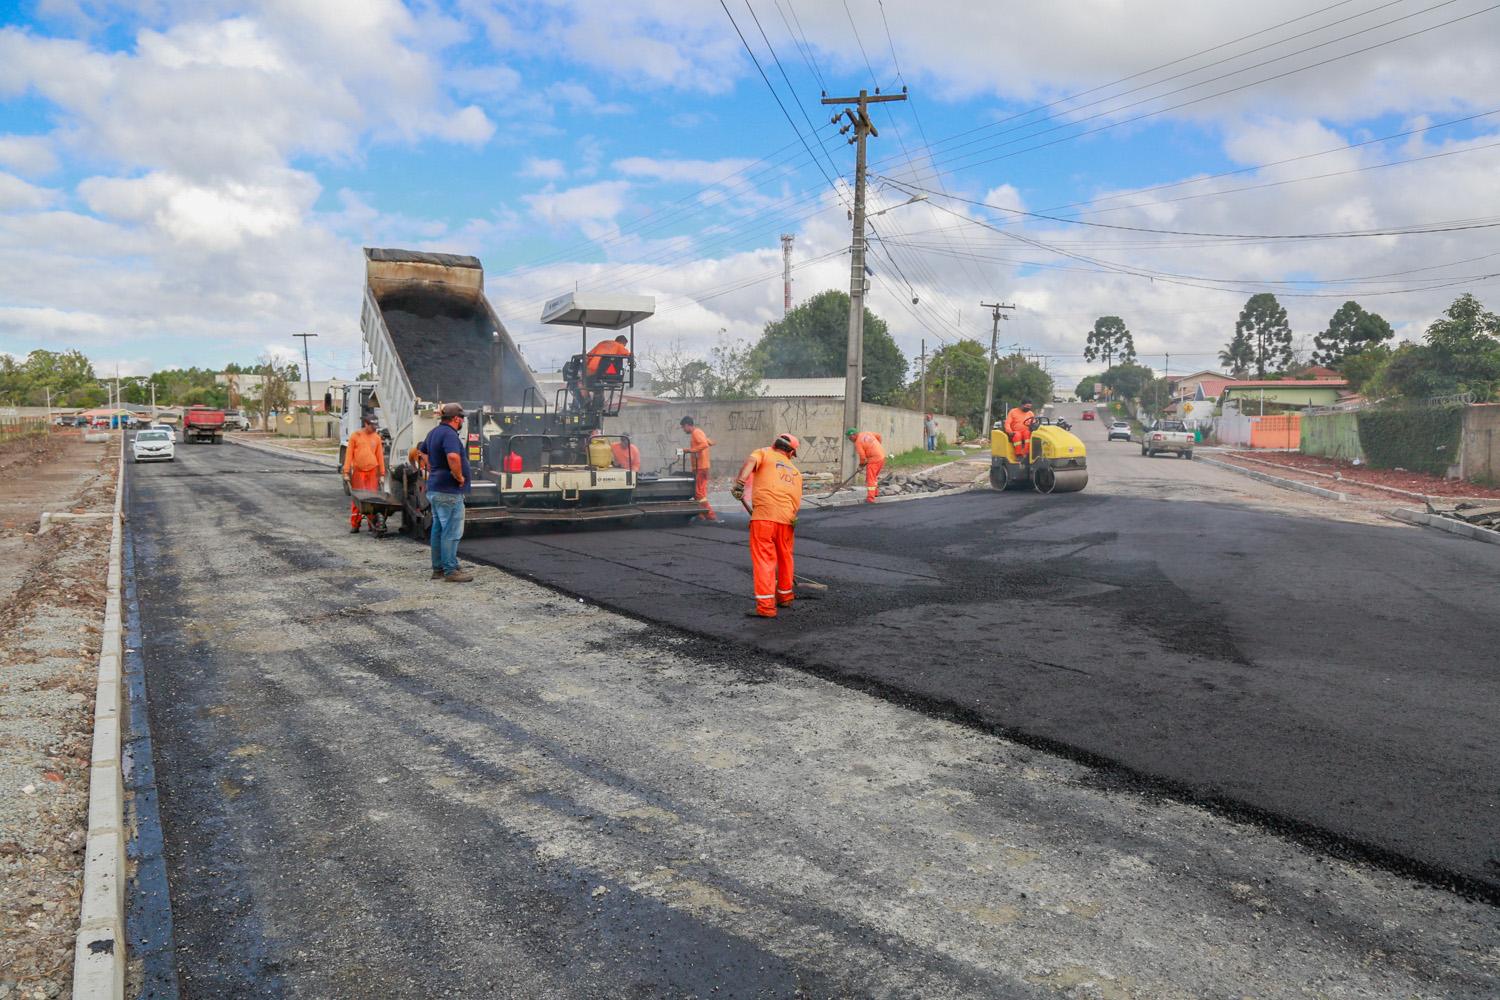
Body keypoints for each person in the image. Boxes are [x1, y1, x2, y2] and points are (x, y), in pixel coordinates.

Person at [733, 433, 802, 618]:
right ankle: (785, 597)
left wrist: (740, 484)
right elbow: (796, 501)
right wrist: (790, 517)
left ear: (775, 444)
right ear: (791, 452)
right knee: (785, 557)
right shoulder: (795, 471)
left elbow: (750, 463)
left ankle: (765, 607)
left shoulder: (763, 452)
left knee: (765, 560)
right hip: (788, 520)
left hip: (764, 518)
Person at [419, 402, 473, 582]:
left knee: (438, 529)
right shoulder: (450, 434)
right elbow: (452, 456)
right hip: (448, 490)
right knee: (451, 531)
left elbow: (422, 452)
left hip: (435, 487)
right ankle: (450, 570)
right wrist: (458, 476)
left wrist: (433, 466)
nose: (463, 421)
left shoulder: (434, 432)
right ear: (456, 418)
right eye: (462, 418)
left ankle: (438, 568)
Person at [341, 411, 387, 534]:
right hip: (358, 472)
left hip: (372, 472)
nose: (374, 429)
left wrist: (382, 474)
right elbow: (349, 455)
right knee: (358, 498)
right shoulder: (355, 436)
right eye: (372, 427)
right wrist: (346, 472)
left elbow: (380, 457)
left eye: (375, 427)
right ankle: (355, 524)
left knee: (371, 498)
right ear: (366, 424)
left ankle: (372, 524)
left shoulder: (376, 438)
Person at [678, 416, 717, 521]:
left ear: (687, 425)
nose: (683, 430)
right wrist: (691, 450)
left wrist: (691, 450)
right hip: (700, 466)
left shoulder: (696, 433)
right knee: (699, 492)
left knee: (699, 492)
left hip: (701, 466)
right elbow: (710, 442)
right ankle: (701, 514)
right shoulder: (699, 432)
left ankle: (710, 515)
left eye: (683, 427)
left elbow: (704, 444)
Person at [846, 427, 886, 503]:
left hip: (874, 459)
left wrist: (860, 466)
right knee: (874, 477)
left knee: (870, 479)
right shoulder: (867, 433)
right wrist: (877, 447)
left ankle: (870, 498)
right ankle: (875, 493)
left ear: (853, 435)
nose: (850, 440)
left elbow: (863, 458)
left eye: (849, 438)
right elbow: (879, 436)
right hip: (882, 457)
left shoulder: (858, 442)